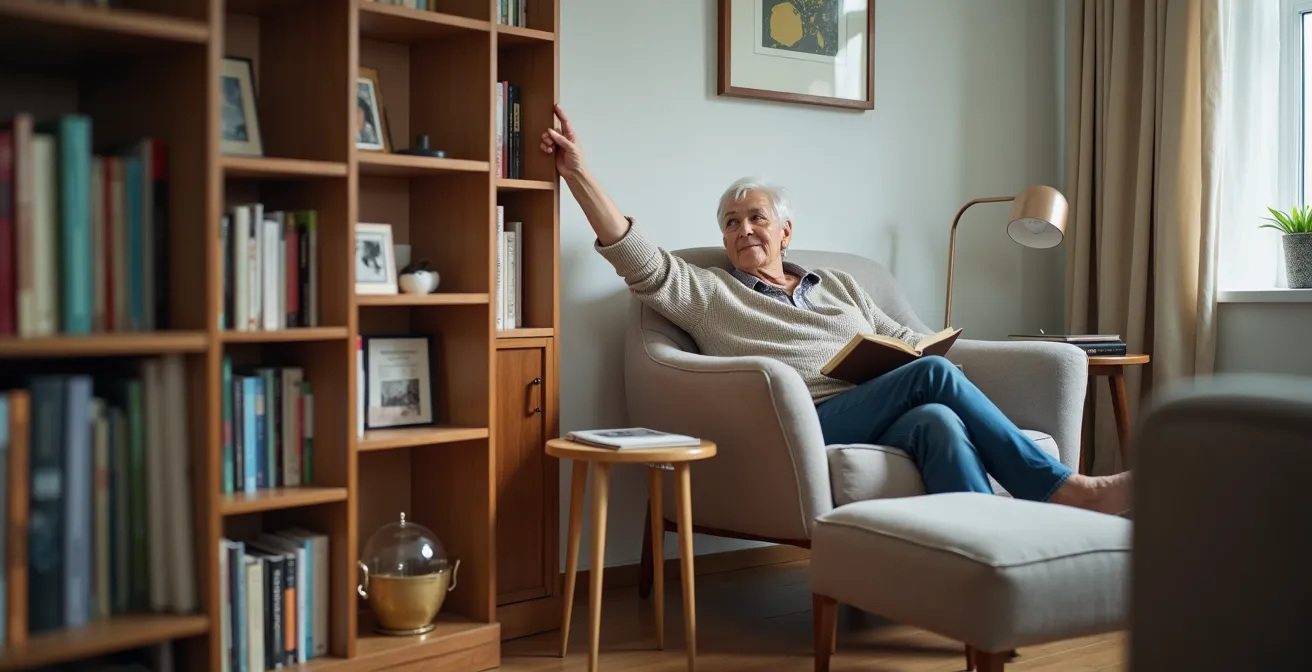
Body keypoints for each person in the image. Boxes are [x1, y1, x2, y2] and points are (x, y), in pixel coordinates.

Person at [539, 105, 1130, 515]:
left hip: (875, 404)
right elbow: (634, 254)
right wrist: (578, 173)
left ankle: (984, 568)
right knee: (932, 379)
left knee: (938, 419)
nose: (743, 230)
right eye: (730, 223)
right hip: (803, 420)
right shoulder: (712, 292)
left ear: (785, 230)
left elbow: (904, 336)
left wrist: (929, 344)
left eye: (756, 218)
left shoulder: (841, 285)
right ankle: (1065, 490)